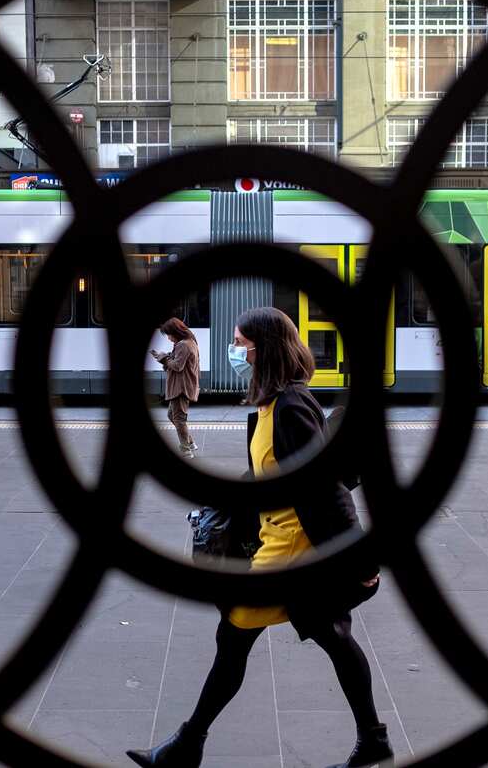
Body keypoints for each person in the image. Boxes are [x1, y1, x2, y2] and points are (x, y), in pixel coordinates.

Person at [128, 307, 390, 768]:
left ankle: (187, 746)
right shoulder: (272, 403)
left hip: (291, 549)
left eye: (240, 344)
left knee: (233, 639)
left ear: (261, 350)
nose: (235, 352)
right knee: (333, 639)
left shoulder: (290, 407)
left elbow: (326, 487)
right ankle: (373, 742)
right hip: (280, 540)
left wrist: (360, 558)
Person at [152, 317, 200, 458]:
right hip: (183, 386)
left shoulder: (183, 345)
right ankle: (190, 443)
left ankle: (186, 450)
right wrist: (163, 357)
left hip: (181, 387)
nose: (168, 338)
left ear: (175, 332)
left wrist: (164, 358)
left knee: (179, 419)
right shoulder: (188, 342)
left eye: (169, 334)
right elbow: (176, 361)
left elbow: (177, 366)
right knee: (172, 415)